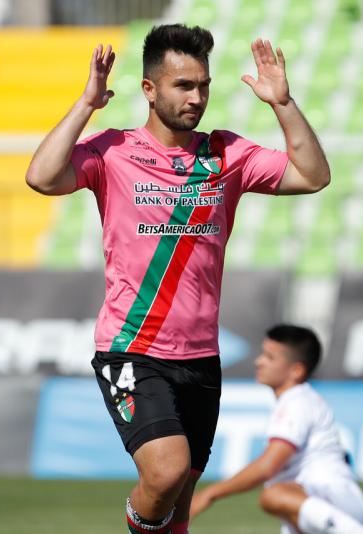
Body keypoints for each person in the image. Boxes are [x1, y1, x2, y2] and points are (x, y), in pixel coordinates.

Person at [25, 24, 331, 534]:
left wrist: (283, 102)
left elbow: (313, 175)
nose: (197, 97)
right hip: (133, 347)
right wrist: (86, 106)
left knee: (180, 510)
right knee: (164, 474)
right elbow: (41, 177)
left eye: (203, 85)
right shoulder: (114, 150)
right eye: (183, 86)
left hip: (200, 357)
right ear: (149, 89)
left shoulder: (226, 154)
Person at [190, 325, 363, 534]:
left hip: (332, 502)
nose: (258, 361)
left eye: (269, 357)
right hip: (323, 505)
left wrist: (210, 494)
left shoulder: (296, 402)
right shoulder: (298, 400)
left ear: (296, 370)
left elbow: (267, 467)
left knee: (273, 495)